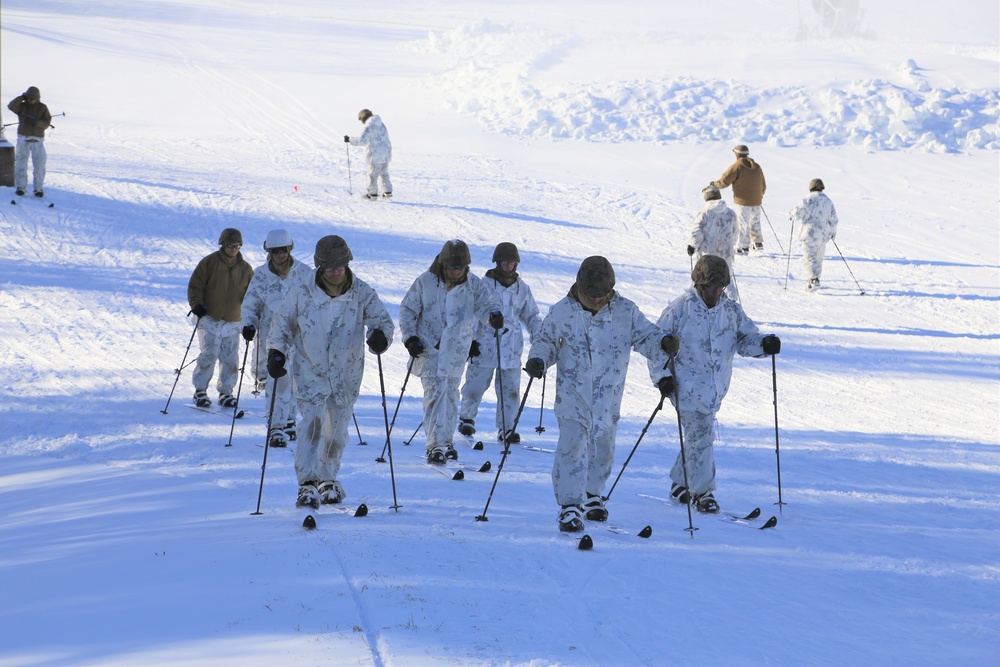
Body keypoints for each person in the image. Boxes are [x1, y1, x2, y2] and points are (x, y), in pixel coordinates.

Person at [524, 256, 677, 533]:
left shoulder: (625, 311)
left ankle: (592, 494)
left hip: (608, 396)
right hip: (572, 395)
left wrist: (663, 343)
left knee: (602, 449)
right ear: (580, 287)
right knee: (572, 447)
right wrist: (538, 360)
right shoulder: (564, 311)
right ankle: (570, 505)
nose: (596, 299)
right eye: (591, 294)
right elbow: (545, 341)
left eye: (602, 294)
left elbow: (646, 336)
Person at [266, 235, 394, 508]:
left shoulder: (361, 292)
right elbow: (281, 324)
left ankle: (327, 480)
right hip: (311, 369)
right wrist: (276, 352)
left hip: (347, 372)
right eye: (330, 267)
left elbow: (381, 320)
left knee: (336, 432)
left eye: (341, 266)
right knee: (312, 426)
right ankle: (307, 484)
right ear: (320, 267)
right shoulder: (302, 291)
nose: (337, 271)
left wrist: (380, 335)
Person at [648, 255, 780, 514]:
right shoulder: (680, 310)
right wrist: (662, 378)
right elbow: (656, 346)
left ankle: (680, 482)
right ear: (699, 284)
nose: (716, 292)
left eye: (720, 287)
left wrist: (764, 344)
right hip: (684, 387)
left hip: (715, 390)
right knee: (702, 434)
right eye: (711, 287)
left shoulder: (730, 311)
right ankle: (703, 492)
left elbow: (745, 339)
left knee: (698, 437)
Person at [399, 239, 503, 464]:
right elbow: (408, 309)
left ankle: (446, 442)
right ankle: (434, 445)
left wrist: (493, 315)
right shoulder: (426, 282)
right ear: (444, 265)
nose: (457, 271)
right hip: (429, 349)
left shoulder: (473, 284)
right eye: (453, 267)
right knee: (436, 395)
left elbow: (487, 304)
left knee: (451, 396)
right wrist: (410, 338)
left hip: (457, 349)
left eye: (461, 267)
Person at [458, 242, 543, 445]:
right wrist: (470, 341)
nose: (508, 266)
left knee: (510, 392)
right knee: (475, 386)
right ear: (497, 262)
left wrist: (541, 337)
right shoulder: (483, 286)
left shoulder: (522, 289)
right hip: (484, 345)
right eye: (505, 262)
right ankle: (467, 419)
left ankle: (507, 428)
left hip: (511, 349)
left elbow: (531, 315)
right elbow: (469, 315)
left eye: (512, 262)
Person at [240, 229, 313, 446]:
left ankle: (290, 419)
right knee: (278, 380)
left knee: (296, 380)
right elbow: (250, 303)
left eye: (284, 249)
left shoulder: (304, 273)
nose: (280, 254)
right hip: (274, 336)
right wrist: (249, 324)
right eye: (275, 250)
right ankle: (276, 427)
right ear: (268, 251)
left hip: (300, 336)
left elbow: (316, 302)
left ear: (290, 248)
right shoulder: (261, 276)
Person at [187, 229, 254, 408]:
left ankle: (226, 392)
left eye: (237, 246)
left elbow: (252, 297)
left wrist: (250, 320)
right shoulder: (209, 262)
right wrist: (196, 305)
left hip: (233, 320)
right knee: (209, 354)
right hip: (209, 318)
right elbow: (195, 286)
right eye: (230, 245)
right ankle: (200, 390)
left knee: (230, 358)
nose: (233, 249)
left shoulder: (246, 268)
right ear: (223, 245)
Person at [688, 184, 740, 302]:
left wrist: (692, 245)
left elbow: (697, 231)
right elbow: (735, 233)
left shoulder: (704, 213)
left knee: (703, 278)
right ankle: (731, 300)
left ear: (707, 198)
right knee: (726, 277)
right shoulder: (730, 213)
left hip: (708, 254)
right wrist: (730, 246)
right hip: (726, 254)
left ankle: (698, 301)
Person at [712, 144, 767, 254]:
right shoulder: (757, 166)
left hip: (743, 201)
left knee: (743, 223)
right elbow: (763, 184)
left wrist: (714, 184)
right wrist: (759, 195)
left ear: (737, 154)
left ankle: (743, 247)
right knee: (755, 221)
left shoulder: (737, 166)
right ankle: (758, 243)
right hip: (757, 200)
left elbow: (724, 182)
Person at [790, 178, 839, 291]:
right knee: (818, 258)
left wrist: (791, 215)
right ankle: (816, 279)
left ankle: (813, 280)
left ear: (810, 187)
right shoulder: (828, 201)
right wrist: (832, 232)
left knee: (809, 258)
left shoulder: (807, 200)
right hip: (823, 235)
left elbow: (797, 213)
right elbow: (834, 219)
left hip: (810, 234)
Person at [6, 87, 52, 197]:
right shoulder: (21, 106)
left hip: (38, 140)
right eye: (30, 98)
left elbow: (46, 122)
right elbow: (11, 106)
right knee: (21, 164)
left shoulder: (43, 107)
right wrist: (22, 97)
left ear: (38, 98)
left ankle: (38, 189)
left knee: (39, 165)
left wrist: (37, 123)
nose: (32, 100)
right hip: (23, 139)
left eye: (34, 98)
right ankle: (21, 187)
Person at [345, 109, 392, 200]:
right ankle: (387, 191)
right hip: (386, 153)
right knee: (384, 173)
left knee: (372, 174)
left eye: (360, 120)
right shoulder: (381, 124)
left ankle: (372, 194)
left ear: (363, 118)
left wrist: (350, 139)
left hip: (375, 154)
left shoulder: (369, 126)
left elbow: (362, 140)